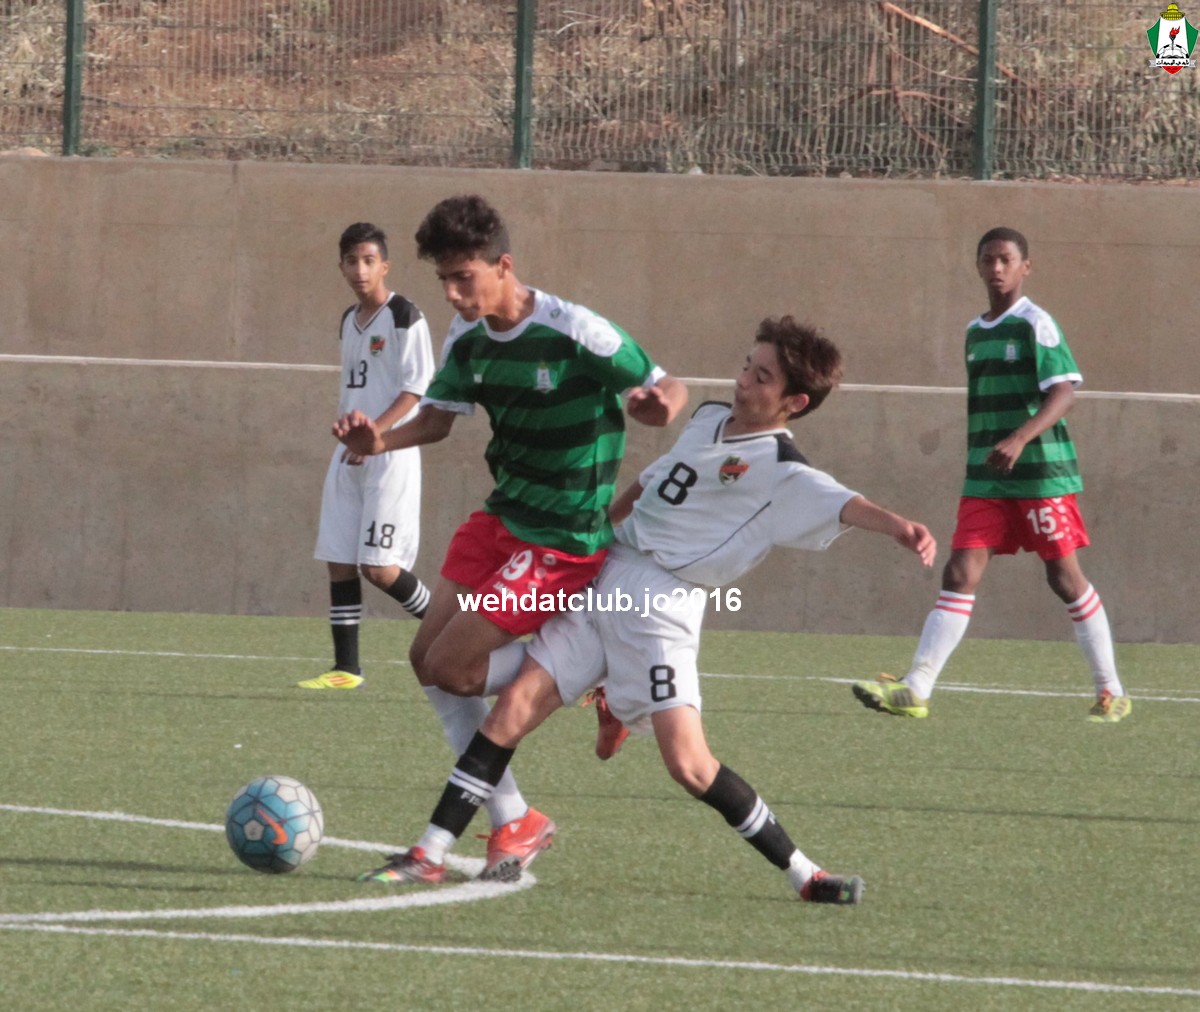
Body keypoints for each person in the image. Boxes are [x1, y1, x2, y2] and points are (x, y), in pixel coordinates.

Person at [357, 317, 936, 901]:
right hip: (606, 578)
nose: (743, 381)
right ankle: (430, 852)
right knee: (507, 710)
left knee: (689, 766)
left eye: (762, 378)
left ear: (795, 401)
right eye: (746, 366)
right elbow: (651, 483)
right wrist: (602, 527)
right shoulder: (708, 417)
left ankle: (806, 875)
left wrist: (898, 526)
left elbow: (846, 502)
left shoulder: (785, 471)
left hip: (661, 610)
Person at [336, 194, 688, 880]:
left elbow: (667, 384)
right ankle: (515, 817)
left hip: (563, 537)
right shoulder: (466, 338)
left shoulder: (574, 329)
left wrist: (659, 407)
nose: (452, 293)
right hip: (502, 519)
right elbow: (437, 420)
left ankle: (589, 670)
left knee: (454, 668)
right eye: (443, 279)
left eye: (463, 277)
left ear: (504, 266)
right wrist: (379, 440)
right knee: (424, 660)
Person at [852, 226, 1132, 723]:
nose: (997, 268)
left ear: (1026, 267)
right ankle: (916, 688)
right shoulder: (975, 332)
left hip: (1040, 476)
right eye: (988, 259)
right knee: (959, 572)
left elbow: (1065, 391)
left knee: (1064, 579)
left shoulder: (1036, 323)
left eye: (1006, 259)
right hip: (986, 479)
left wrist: (1021, 438)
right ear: (978, 266)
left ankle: (1111, 690)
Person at [300, 222, 435, 691]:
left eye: (369, 261)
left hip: (389, 454)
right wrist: (352, 438)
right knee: (339, 557)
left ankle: (453, 629)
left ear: (385, 266)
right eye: (352, 261)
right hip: (349, 454)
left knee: (379, 568)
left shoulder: (404, 315)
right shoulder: (348, 319)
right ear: (341, 266)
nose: (361, 270)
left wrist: (375, 434)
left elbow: (415, 388)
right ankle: (346, 669)